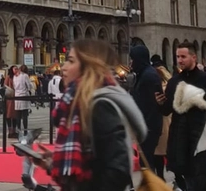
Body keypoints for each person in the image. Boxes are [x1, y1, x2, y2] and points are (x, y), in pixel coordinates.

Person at [41, 38, 145, 191]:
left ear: (87, 66)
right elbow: (89, 163)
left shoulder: (99, 105)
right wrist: (54, 163)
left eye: (70, 61)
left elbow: (118, 169)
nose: (63, 67)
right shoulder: (76, 103)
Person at [160, 41, 206, 191]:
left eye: (183, 56)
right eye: (178, 56)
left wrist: (199, 102)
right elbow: (166, 110)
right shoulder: (174, 82)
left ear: (194, 57)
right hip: (181, 138)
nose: (180, 60)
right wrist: (159, 103)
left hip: (204, 137)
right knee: (187, 181)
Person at [129, 44, 165, 174]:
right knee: (146, 162)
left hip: (148, 127)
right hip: (146, 126)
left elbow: (153, 104)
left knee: (146, 163)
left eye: (132, 59)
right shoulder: (143, 74)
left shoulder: (149, 76)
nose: (130, 62)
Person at [14, 64, 35, 137]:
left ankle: (18, 130)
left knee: (18, 115)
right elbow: (28, 85)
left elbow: (14, 86)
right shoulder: (25, 76)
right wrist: (30, 88)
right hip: (24, 95)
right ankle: (25, 131)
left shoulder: (15, 76)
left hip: (17, 96)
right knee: (25, 115)